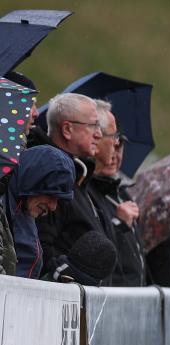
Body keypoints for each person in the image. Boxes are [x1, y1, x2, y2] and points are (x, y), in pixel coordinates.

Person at [34, 93, 112, 277]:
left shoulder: (78, 175)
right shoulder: (49, 176)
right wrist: (73, 275)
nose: (99, 134)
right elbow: (40, 247)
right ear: (67, 130)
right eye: (93, 125)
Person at [89, 100, 146, 286]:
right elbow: (95, 249)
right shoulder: (85, 191)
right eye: (111, 145)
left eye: (119, 147)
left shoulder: (123, 194)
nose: (114, 155)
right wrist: (119, 223)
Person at [2, 145, 75, 278]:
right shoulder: (9, 202)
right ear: (32, 181)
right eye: (50, 195)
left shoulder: (22, 205)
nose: (53, 206)